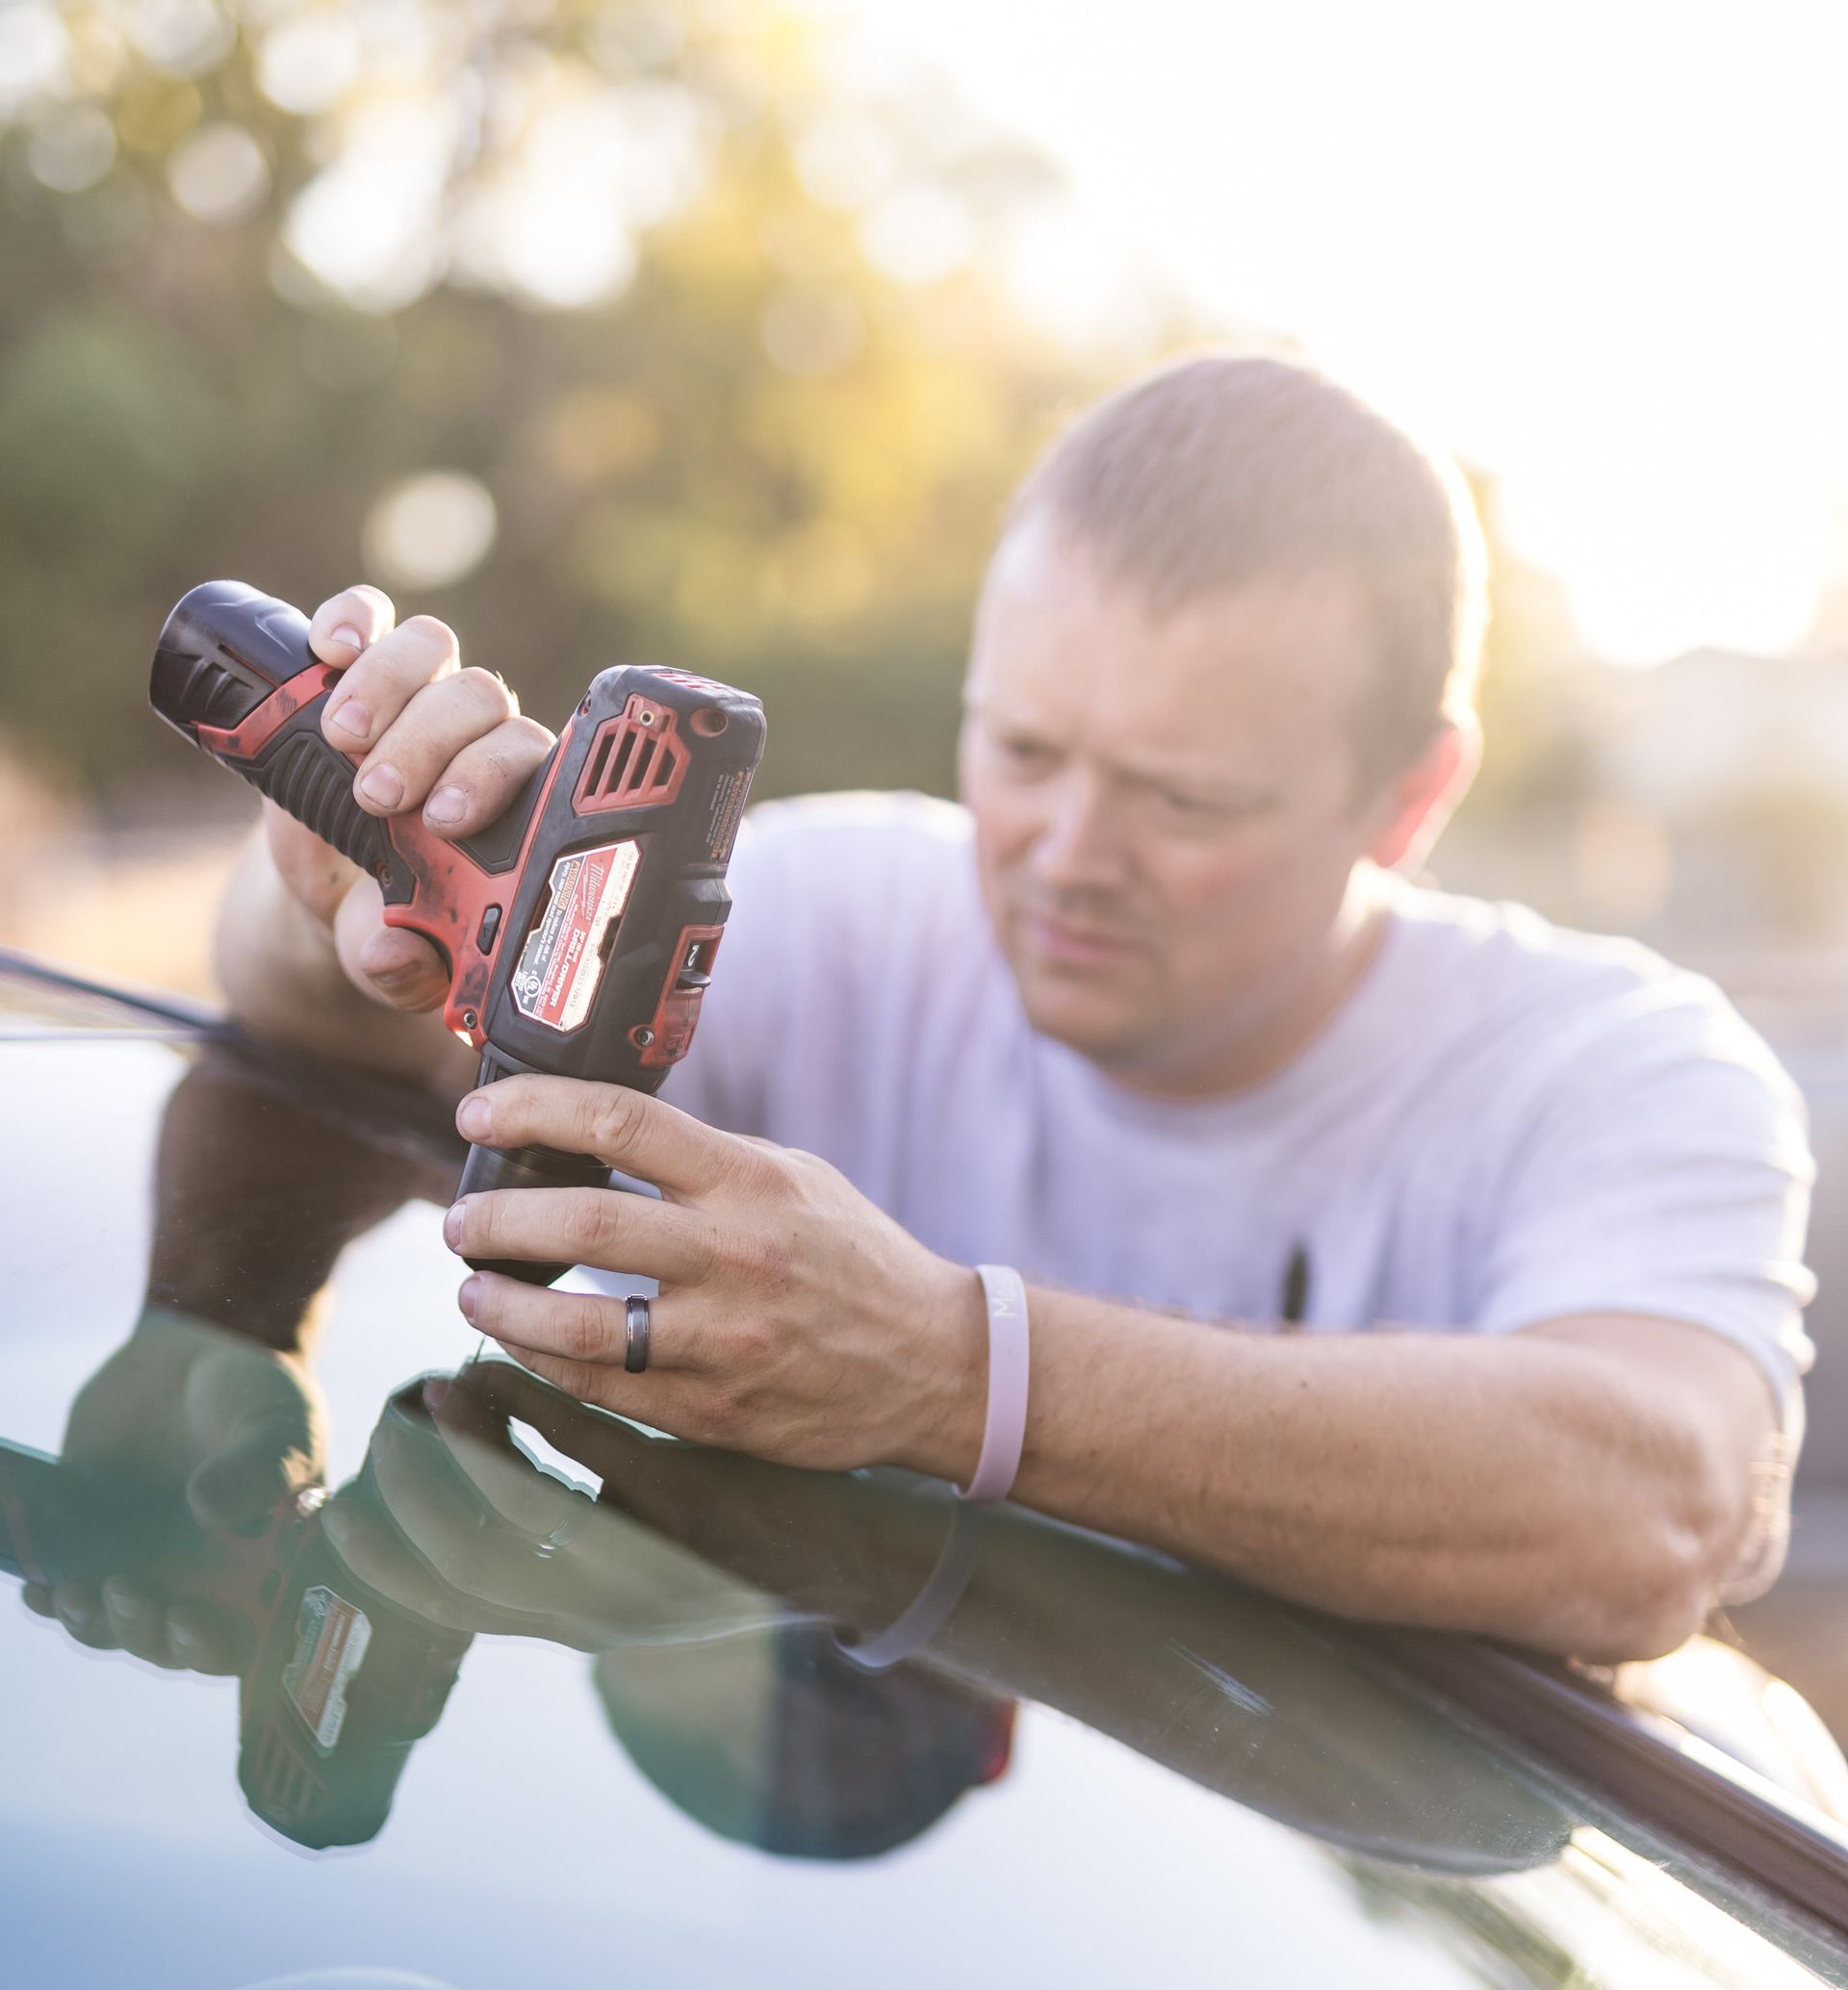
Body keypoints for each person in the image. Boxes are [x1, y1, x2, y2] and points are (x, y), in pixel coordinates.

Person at [212, 354, 1813, 1662]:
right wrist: (333, 892)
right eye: (1025, 752)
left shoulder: (1620, 1069)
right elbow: (314, 1041)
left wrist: (955, 1373)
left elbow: (1657, 1507)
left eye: (1184, 799)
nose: (1066, 855)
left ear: (1411, 799)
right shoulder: (843, 916)